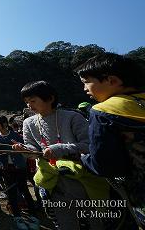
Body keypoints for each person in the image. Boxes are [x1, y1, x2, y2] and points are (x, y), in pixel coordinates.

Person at [12, 80, 106, 230]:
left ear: (50, 98)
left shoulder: (72, 117)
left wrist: (60, 148)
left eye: (33, 100)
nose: (29, 105)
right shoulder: (28, 123)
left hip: (82, 179)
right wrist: (25, 151)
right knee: (64, 222)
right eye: (26, 102)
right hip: (52, 180)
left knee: (95, 222)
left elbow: (90, 146)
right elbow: (34, 150)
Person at [76, 53, 145, 227]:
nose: (85, 89)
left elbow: (105, 165)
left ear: (112, 81)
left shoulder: (103, 111)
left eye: (86, 82)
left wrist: (83, 159)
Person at [0, 116, 37, 228]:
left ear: (4, 123)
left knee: (24, 189)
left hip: (19, 167)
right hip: (6, 168)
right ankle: (17, 216)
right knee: (11, 191)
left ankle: (33, 214)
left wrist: (20, 147)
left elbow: (24, 149)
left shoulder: (15, 135)